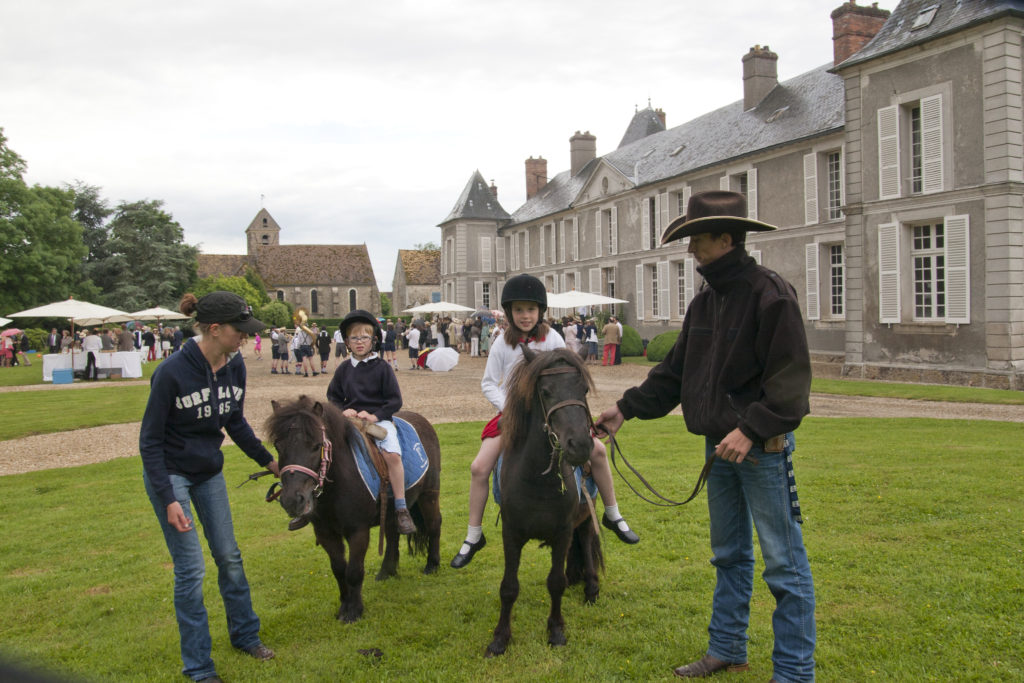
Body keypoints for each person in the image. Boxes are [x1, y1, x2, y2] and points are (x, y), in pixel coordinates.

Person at [595, 191, 815, 682]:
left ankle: (796, 674)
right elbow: (674, 376)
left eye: (697, 237)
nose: (690, 247)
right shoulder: (705, 302)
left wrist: (750, 429)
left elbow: (791, 383)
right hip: (720, 450)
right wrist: (624, 410)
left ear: (726, 238)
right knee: (729, 556)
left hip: (761, 452)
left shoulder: (770, 293)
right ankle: (728, 649)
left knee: (784, 565)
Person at [449, 274, 638, 570]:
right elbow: (488, 384)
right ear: (510, 313)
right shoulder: (501, 343)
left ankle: (613, 513)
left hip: (552, 414)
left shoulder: (553, 339)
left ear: (541, 311)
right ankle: (474, 534)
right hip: (513, 415)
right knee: (479, 467)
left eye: (531, 310)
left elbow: (566, 375)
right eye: (519, 310)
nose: (525, 316)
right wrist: (509, 407)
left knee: (598, 452)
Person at [139, 291, 279, 682]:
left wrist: (271, 463)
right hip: (171, 474)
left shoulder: (234, 367)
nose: (245, 338)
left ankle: (245, 636)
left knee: (229, 557)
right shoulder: (171, 373)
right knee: (190, 569)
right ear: (214, 329)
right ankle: (199, 667)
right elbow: (149, 441)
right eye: (240, 331)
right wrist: (168, 499)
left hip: (208, 472)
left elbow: (234, 422)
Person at [325, 310, 416, 534]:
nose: (359, 342)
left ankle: (401, 508)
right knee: (325, 449)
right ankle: (319, 504)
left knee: (392, 455)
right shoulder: (344, 369)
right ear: (346, 342)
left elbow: (395, 401)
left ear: (373, 340)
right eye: (354, 338)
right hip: (350, 421)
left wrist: (374, 415)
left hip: (379, 421)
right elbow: (333, 397)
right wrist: (344, 411)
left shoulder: (383, 368)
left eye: (364, 338)